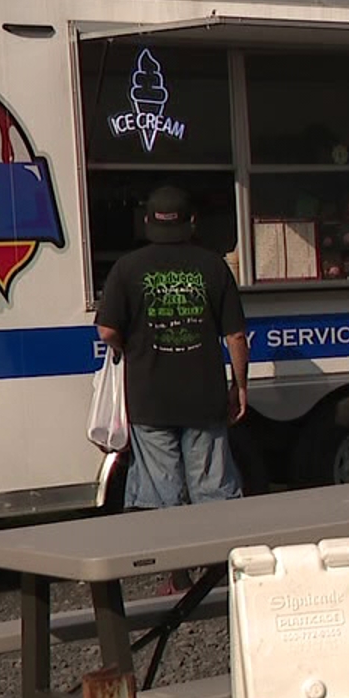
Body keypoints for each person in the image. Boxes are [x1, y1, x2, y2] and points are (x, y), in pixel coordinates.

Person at [95, 185, 250, 518]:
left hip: (148, 399)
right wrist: (239, 386)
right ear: (192, 221)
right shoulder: (213, 266)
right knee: (213, 493)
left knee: (161, 499)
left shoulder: (127, 267)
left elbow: (107, 330)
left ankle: (173, 568)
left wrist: (132, 349)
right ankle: (215, 560)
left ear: (148, 221)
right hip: (204, 400)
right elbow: (236, 335)